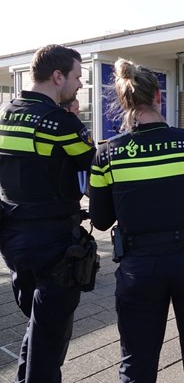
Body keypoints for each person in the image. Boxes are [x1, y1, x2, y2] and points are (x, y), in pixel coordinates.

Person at [88, 58, 184, 382]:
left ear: (125, 101)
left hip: (138, 267)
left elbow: (99, 219)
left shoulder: (107, 154)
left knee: (136, 365)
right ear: (158, 97)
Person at [0, 44, 96, 382]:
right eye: (76, 77)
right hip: (54, 241)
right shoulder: (61, 123)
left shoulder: (4, 113)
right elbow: (95, 167)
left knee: (39, 323)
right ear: (57, 76)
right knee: (50, 334)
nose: (80, 85)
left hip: (12, 239)